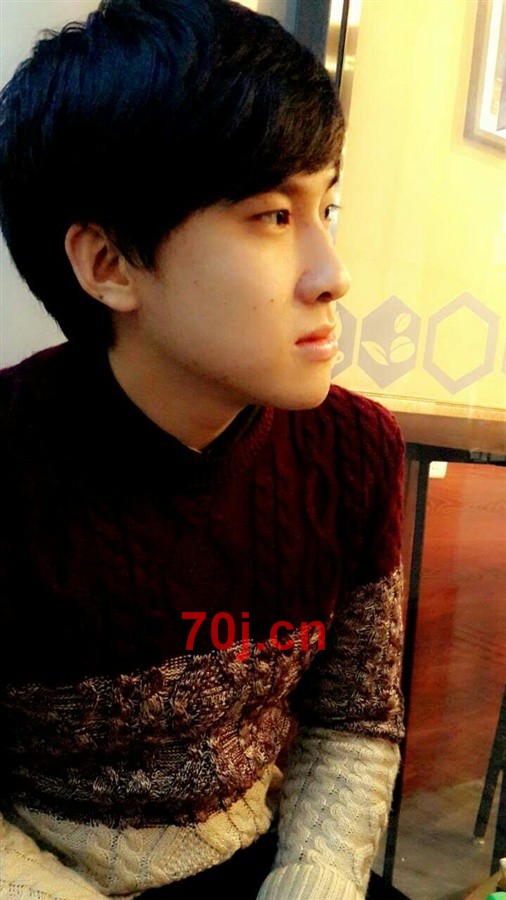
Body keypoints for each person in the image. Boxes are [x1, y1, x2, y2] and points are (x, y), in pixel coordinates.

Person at [0, 1, 406, 897]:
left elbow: (354, 721)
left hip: (265, 864)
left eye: (326, 205)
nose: (333, 273)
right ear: (109, 264)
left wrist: (315, 881)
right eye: (272, 215)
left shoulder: (353, 449)